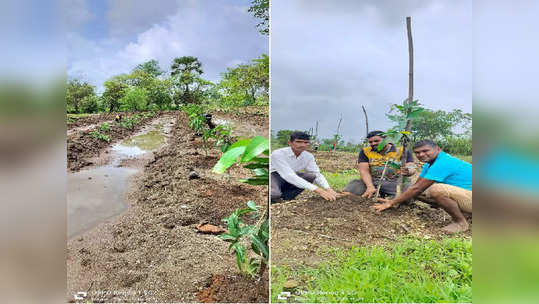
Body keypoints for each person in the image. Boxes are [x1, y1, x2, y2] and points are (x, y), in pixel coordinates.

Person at [373, 139, 472, 233]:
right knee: (414, 191)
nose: (421, 154)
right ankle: (465, 212)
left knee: (436, 189)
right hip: (468, 195)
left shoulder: (444, 161)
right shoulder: (428, 164)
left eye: (425, 151)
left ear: (438, 149)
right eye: (417, 152)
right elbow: (417, 186)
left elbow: (417, 188)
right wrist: (398, 200)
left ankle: (460, 223)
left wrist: (391, 202)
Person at [342, 130, 416, 198]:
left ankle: (389, 199)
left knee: (407, 193)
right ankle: (376, 193)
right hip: (373, 181)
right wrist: (370, 186)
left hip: (394, 182)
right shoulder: (365, 151)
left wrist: (409, 170)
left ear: (386, 140)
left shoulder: (401, 150)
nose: (373, 143)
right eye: (370, 142)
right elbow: (364, 171)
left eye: (376, 141)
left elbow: (411, 166)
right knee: (352, 188)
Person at [271, 131, 339, 203]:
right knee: (274, 194)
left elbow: (316, 174)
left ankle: (286, 197)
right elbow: (288, 175)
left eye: (306, 142)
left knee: (311, 176)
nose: (302, 145)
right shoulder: (278, 154)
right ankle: (276, 195)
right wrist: (319, 190)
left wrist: (328, 189)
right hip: (274, 175)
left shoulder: (308, 156)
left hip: (292, 176)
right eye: (298, 142)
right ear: (290, 143)